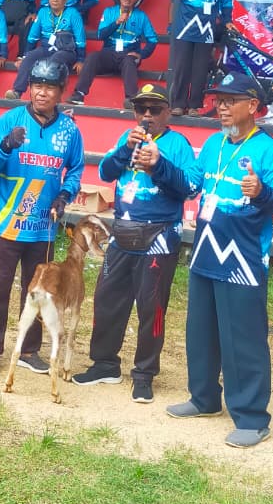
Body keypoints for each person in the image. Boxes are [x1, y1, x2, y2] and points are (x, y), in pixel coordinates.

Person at [166, 71, 273, 447]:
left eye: (229, 100)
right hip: (206, 250)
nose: (220, 106)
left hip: (243, 256)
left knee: (243, 337)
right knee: (200, 331)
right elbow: (190, 184)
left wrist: (261, 191)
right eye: (218, 100)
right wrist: (159, 165)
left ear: (253, 106)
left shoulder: (268, 149)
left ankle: (252, 417)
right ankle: (203, 398)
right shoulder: (212, 144)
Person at [72, 84, 195, 402]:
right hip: (123, 233)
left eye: (155, 110)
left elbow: (188, 188)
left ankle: (144, 374)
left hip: (159, 236)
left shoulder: (179, 144)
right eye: (142, 109)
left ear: (167, 112)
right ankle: (104, 364)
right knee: (107, 300)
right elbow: (105, 171)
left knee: (151, 308)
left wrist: (158, 166)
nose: (147, 116)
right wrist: (125, 149)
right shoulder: (126, 139)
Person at [0, 58, 84, 380]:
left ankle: (29, 351)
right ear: (30, 87)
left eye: (50, 87)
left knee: (41, 292)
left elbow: (76, 169)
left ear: (60, 92)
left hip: (44, 228)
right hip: (7, 223)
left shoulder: (69, 130)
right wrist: (7, 145)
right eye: (37, 85)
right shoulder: (10, 119)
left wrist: (65, 193)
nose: (42, 93)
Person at [69, 0, 157, 108]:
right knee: (93, 56)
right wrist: (116, 23)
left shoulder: (141, 16)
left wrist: (141, 54)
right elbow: (100, 35)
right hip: (109, 53)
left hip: (128, 55)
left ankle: (131, 99)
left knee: (129, 60)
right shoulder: (109, 12)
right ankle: (79, 94)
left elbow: (153, 40)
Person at [170, 0, 232, 116]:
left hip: (207, 27)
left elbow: (226, 1)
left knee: (200, 67)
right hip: (185, 24)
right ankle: (178, 104)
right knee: (182, 66)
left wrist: (227, 20)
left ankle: (195, 105)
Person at [5, 0, 85, 99]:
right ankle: (17, 92)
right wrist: (24, 55)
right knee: (30, 57)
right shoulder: (43, 12)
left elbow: (80, 39)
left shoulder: (73, 13)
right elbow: (32, 37)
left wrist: (81, 59)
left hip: (66, 50)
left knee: (54, 61)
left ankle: (52, 96)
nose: (55, 0)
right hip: (46, 47)